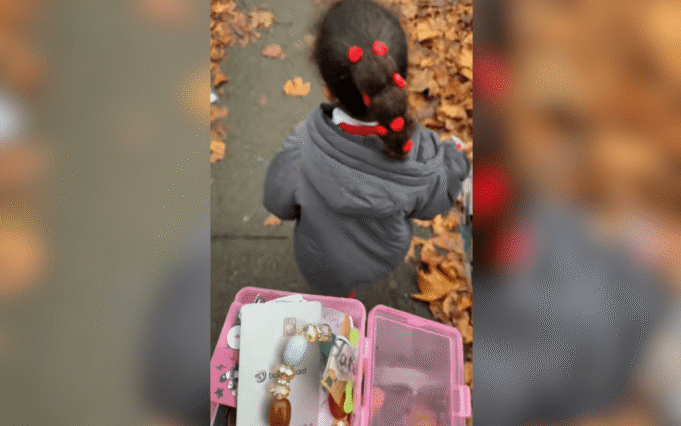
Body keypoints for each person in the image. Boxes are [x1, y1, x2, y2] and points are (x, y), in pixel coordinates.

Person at [263, 0, 469, 297]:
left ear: (328, 89)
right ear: (398, 79)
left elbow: (278, 202)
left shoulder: (302, 146)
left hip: (320, 259)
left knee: (331, 287)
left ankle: (341, 296)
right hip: (381, 257)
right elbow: (434, 202)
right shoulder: (422, 153)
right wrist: (455, 160)